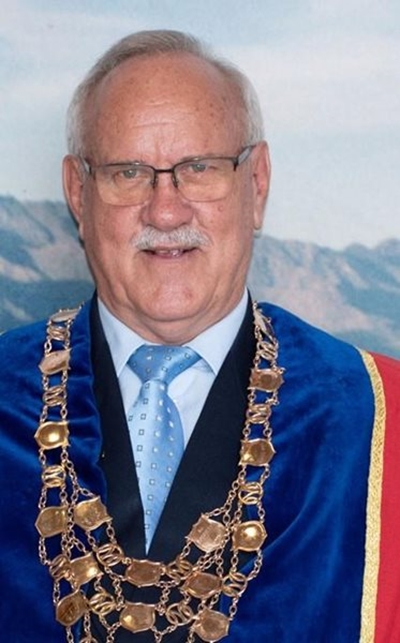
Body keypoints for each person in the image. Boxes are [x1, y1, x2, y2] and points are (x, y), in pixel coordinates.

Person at [0, 29, 399, 643]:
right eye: (128, 172)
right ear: (78, 194)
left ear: (256, 184)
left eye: (200, 168)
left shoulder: (382, 422)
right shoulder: (8, 393)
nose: (166, 210)